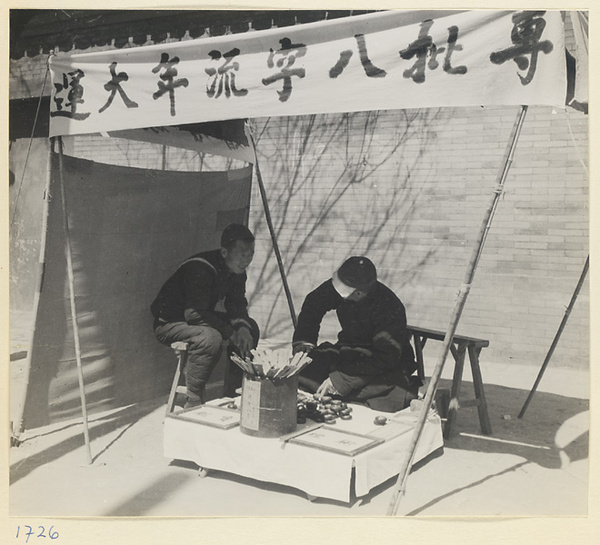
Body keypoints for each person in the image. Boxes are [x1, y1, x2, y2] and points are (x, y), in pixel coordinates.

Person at [292, 256, 420, 413]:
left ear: (359, 293)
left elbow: (386, 358)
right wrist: (304, 343)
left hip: (382, 360)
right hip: (349, 351)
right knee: (306, 369)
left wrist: (339, 381)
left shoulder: (389, 307)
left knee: (388, 391)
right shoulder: (345, 287)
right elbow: (314, 302)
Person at [151, 223, 259, 408]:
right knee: (210, 338)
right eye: (242, 255)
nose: (246, 260)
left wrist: (241, 328)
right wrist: (230, 333)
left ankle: (234, 392)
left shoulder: (237, 271)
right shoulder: (200, 267)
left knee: (251, 329)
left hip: (196, 318)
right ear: (225, 252)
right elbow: (194, 313)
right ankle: (193, 399)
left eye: (250, 255)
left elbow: (236, 304)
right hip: (170, 322)